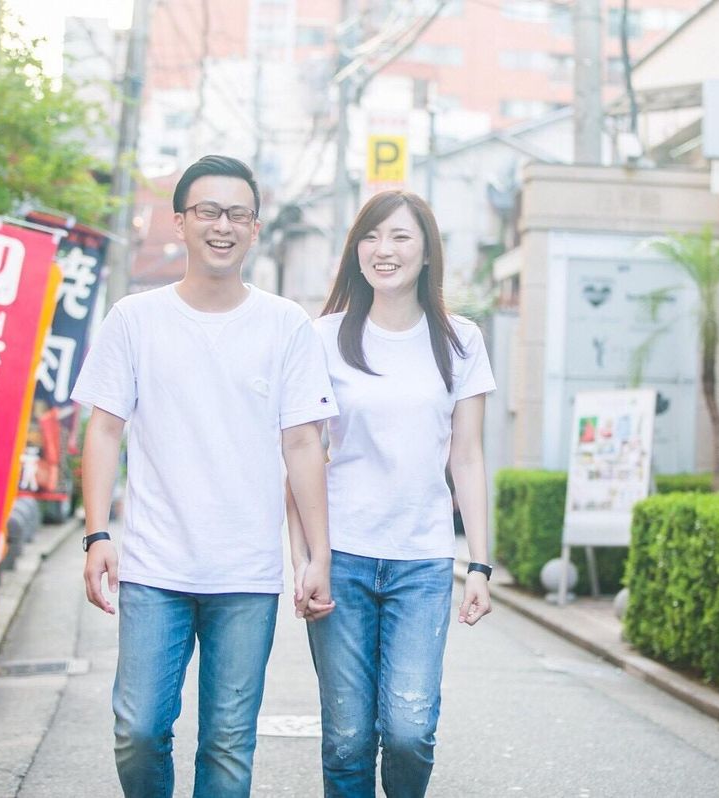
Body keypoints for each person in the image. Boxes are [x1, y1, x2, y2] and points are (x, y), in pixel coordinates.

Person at [72, 155, 338, 798]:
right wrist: (97, 534)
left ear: (255, 228)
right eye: (209, 212)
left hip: (246, 574)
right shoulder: (134, 318)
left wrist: (318, 556)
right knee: (138, 731)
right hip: (155, 567)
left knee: (227, 744)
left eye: (238, 214)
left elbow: (303, 443)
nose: (223, 226)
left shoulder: (285, 325)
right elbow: (104, 429)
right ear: (181, 222)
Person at [287, 190, 496, 798]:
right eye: (372, 236)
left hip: (422, 562)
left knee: (409, 731)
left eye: (401, 236)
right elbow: (300, 455)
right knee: (347, 738)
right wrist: (305, 559)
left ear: (427, 252)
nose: (385, 249)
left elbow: (468, 457)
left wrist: (479, 565)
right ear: (356, 250)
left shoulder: (460, 341)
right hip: (342, 556)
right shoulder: (322, 338)